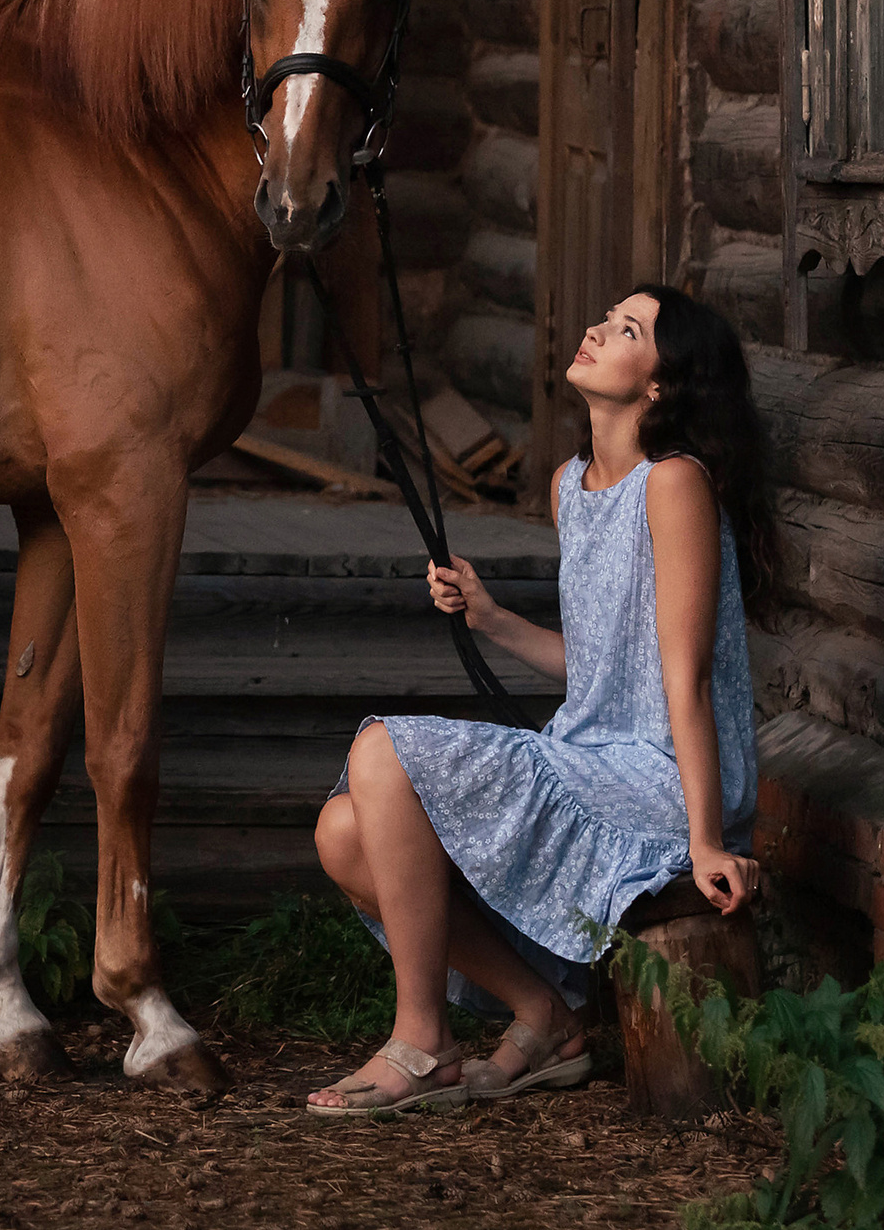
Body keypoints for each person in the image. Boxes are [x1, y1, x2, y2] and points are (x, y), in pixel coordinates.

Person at [304, 284, 780, 1115]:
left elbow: (685, 678)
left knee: (381, 750)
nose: (597, 328)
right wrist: (490, 619)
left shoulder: (675, 484)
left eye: (627, 330)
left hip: (661, 778)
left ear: (660, 385)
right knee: (342, 834)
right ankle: (544, 1015)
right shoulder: (570, 485)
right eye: (606, 317)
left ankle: (421, 1040)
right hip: (593, 757)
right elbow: (603, 668)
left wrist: (708, 839)